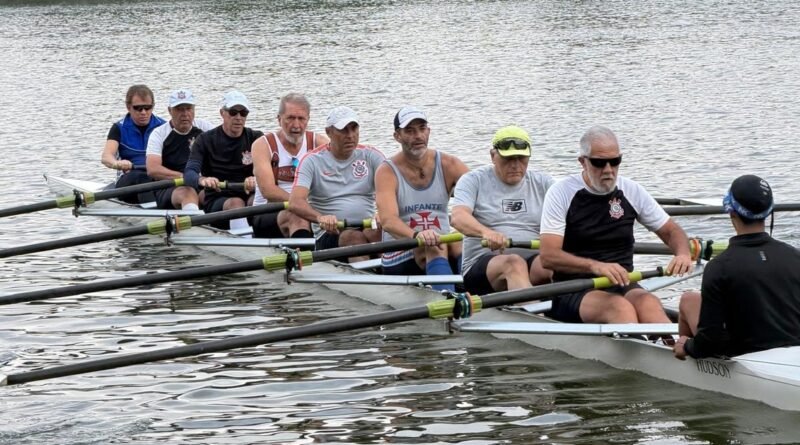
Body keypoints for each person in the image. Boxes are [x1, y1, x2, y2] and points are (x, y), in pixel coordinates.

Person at [539, 125, 693, 325]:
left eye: (615, 161)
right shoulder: (561, 193)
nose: (608, 170)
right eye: (599, 163)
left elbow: (671, 231)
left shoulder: (631, 190)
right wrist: (596, 266)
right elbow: (548, 256)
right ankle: (640, 349)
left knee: (649, 303)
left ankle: (674, 349)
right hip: (573, 288)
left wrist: (682, 253)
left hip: (622, 282)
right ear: (582, 162)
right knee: (619, 308)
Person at [674, 175, 800, 360]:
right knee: (691, 299)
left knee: (687, 300)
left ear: (731, 211)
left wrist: (688, 345)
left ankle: (680, 357)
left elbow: (710, 341)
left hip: (744, 359)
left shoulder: (719, 267)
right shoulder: (795, 256)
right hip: (792, 357)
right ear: (769, 212)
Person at [451, 125, 555, 295]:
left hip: (532, 263)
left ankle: (570, 310)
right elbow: (458, 217)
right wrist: (486, 233)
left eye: (521, 158)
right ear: (493, 156)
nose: (515, 165)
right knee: (514, 263)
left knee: (555, 264)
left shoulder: (543, 183)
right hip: (483, 268)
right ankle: (535, 318)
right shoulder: (473, 180)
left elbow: (573, 215)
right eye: (508, 158)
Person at [376, 106, 469, 291]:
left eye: (421, 128)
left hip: (440, 242)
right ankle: (448, 301)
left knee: (458, 242)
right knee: (436, 245)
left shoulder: (450, 164)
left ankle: (474, 290)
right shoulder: (386, 172)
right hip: (400, 250)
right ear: (397, 136)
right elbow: (388, 221)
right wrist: (418, 235)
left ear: (428, 131)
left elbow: (480, 200)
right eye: (409, 131)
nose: (418, 135)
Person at [288, 106, 384, 261]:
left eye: (354, 129)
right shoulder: (311, 161)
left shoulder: (372, 156)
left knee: (380, 232)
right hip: (331, 233)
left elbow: (397, 190)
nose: (350, 135)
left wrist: (383, 213)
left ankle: (392, 271)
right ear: (329, 132)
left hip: (367, 225)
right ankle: (369, 279)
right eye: (343, 130)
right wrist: (320, 218)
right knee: (351, 236)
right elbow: (295, 202)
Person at [251, 93, 329, 240]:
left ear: (308, 119)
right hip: (268, 212)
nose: (296, 125)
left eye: (301, 119)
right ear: (279, 119)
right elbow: (269, 191)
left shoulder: (320, 143)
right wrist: (301, 205)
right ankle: (306, 259)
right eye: (290, 118)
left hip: (310, 211)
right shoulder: (263, 145)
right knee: (296, 216)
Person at [183, 90, 263, 232]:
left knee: (259, 202)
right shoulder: (205, 140)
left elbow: (273, 170)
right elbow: (189, 173)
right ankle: (246, 246)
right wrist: (202, 180)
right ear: (222, 113)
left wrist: (258, 178)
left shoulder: (256, 138)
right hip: (218, 197)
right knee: (236, 203)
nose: (238, 117)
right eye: (233, 112)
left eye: (243, 113)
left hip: (249, 194)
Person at [146, 88, 214, 210]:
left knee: (223, 196)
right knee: (187, 193)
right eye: (179, 109)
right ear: (170, 111)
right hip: (170, 187)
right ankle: (193, 224)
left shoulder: (206, 128)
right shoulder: (159, 134)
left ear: (194, 109)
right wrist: (188, 177)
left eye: (188, 108)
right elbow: (153, 169)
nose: (185, 114)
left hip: (202, 183)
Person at [101, 84, 166, 204]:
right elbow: (106, 157)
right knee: (142, 178)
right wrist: (117, 163)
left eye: (148, 108)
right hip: (129, 178)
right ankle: (154, 212)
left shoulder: (164, 127)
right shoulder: (119, 128)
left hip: (157, 176)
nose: (143, 112)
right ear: (128, 107)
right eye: (138, 108)